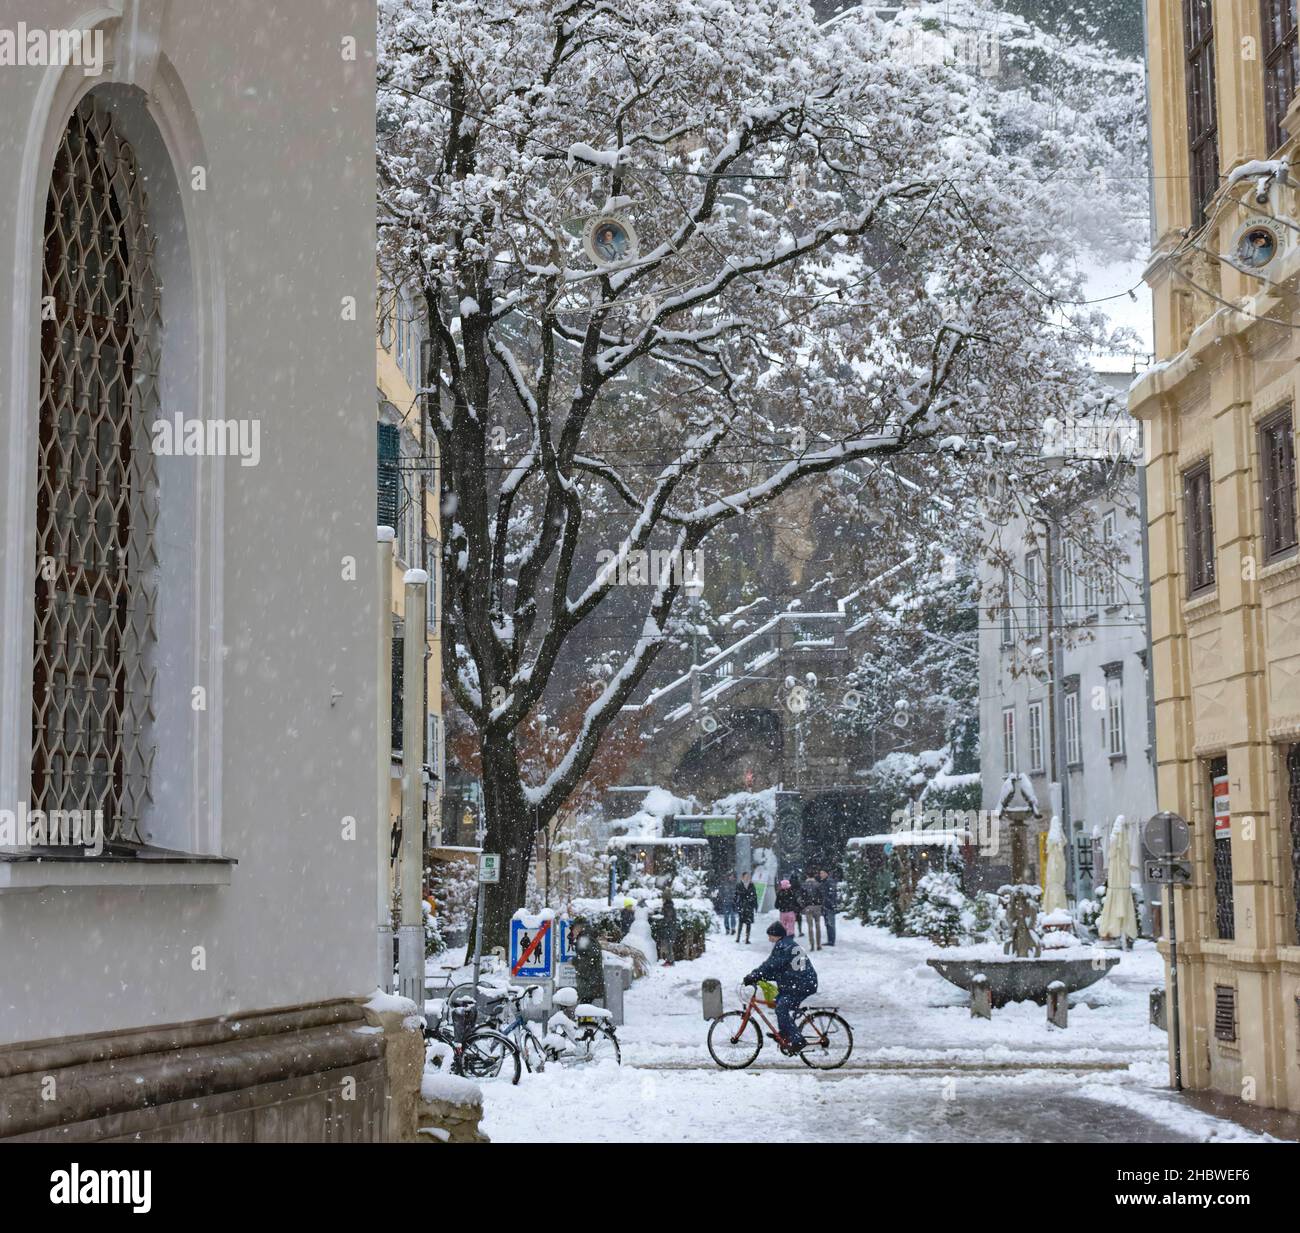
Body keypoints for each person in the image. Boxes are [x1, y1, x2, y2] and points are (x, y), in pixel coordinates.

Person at [744, 922, 818, 1053]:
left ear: (775, 935)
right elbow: (778, 967)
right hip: (798, 983)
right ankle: (785, 1033)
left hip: (801, 984)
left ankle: (797, 1040)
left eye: (770, 936)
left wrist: (755, 975)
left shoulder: (784, 946)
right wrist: (759, 976)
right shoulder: (786, 943)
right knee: (779, 1002)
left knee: (782, 1007)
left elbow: (771, 965)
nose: (769, 939)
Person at [570, 916, 606, 1006]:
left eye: (573, 928)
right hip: (592, 984)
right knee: (586, 1011)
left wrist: (574, 961)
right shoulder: (588, 938)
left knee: (585, 1012)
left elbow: (587, 961)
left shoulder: (584, 940)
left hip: (588, 986)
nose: (572, 931)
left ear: (579, 927)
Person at [801, 872, 824, 951]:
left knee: (810, 927)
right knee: (818, 926)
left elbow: (801, 896)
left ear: (807, 875)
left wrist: (804, 905)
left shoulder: (804, 885)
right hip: (817, 906)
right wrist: (820, 904)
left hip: (808, 907)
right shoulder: (818, 884)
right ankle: (819, 944)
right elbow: (821, 895)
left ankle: (812, 944)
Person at [734, 870, 757, 943]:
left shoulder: (751, 885)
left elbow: (754, 895)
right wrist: (736, 904)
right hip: (742, 906)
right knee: (740, 923)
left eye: (748, 877)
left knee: (748, 923)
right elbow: (736, 895)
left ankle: (747, 939)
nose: (747, 878)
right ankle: (738, 938)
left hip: (749, 906)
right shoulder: (739, 884)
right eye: (746, 876)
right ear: (742, 877)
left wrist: (755, 905)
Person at [658, 883, 678, 966]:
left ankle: (670, 961)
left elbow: (668, 918)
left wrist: (661, 917)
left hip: (670, 930)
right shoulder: (668, 906)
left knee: (668, 947)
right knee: (667, 946)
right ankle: (669, 960)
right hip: (669, 929)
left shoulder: (668, 907)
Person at [818, 867, 838, 946]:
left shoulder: (830, 882)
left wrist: (831, 904)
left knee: (831, 924)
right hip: (825, 906)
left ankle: (831, 941)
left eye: (822, 873)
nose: (821, 875)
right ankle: (830, 940)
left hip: (829, 907)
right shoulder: (823, 882)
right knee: (827, 924)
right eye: (820, 873)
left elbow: (832, 895)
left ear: (826, 873)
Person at [718, 871, 737, 937]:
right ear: (728, 877)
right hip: (726, 902)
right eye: (730, 876)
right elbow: (720, 892)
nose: (731, 877)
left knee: (733, 916)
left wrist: (736, 900)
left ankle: (733, 928)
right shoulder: (724, 884)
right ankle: (727, 929)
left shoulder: (736, 884)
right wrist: (723, 899)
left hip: (733, 903)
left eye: (733, 876)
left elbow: (738, 894)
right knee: (726, 916)